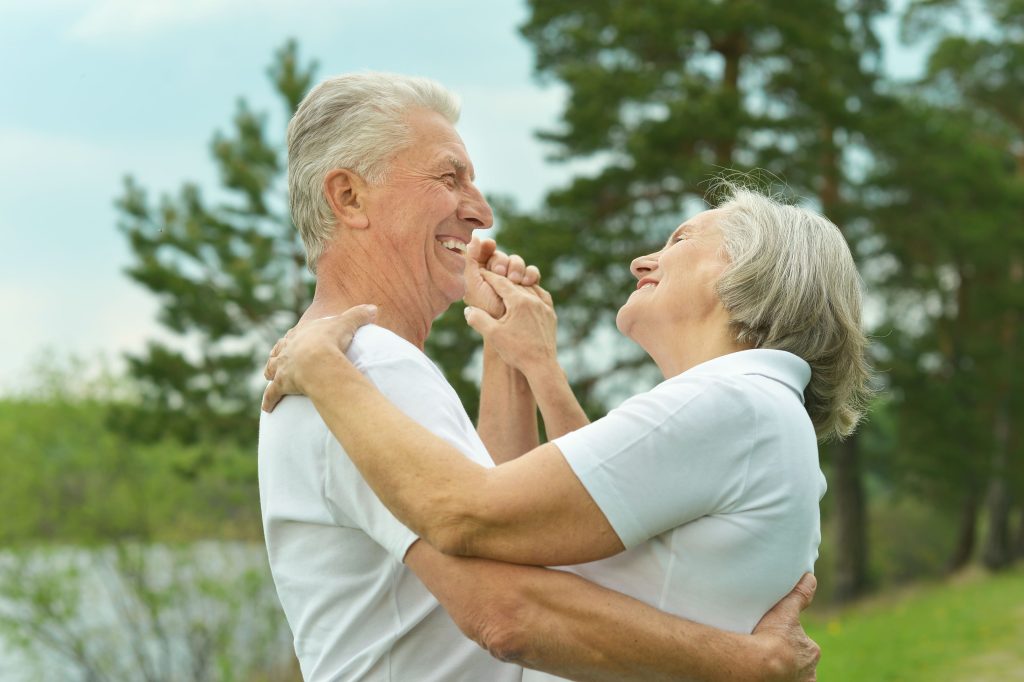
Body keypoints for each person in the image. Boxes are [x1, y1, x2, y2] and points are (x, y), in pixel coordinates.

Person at [260, 70, 822, 681]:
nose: (481, 211)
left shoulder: (363, 365)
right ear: (348, 198)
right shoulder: (364, 368)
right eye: (450, 178)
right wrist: (748, 662)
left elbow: (506, 526)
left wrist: (509, 358)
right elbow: (505, 609)